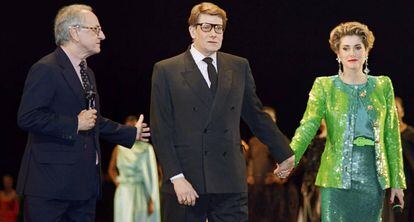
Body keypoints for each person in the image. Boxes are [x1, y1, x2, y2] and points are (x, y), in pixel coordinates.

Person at [150, 2, 294, 221]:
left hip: (229, 179)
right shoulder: (166, 70)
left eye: (219, 28)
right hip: (186, 180)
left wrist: (284, 152)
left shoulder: (238, 66)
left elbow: (255, 114)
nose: (214, 33)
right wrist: (175, 177)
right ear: (192, 31)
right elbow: (161, 129)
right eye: (206, 27)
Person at [16, 4, 150, 221]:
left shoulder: (87, 72)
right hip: (50, 188)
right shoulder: (46, 68)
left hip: (84, 187)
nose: (103, 35)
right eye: (96, 29)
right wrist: (74, 124)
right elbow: (28, 116)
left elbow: (93, 119)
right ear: (74, 32)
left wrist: (128, 133)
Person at [289, 21, 405, 222]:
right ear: (338, 53)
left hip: (372, 177)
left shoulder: (383, 85)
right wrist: (290, 155)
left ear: (366, 51)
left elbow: (392, 137)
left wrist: (397, 182)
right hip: (336, 177)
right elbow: (308, 125)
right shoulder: (324, 85)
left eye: (358, 47)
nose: (353, 52)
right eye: (346, 48)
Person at [247, 106, 299, 222]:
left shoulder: (280, 140)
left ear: (274, 120)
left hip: (275, 194)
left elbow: (295, 161)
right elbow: (248, 160)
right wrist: (248, 175)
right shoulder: (254, 141)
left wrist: (279, 178)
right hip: (256, 193)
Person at [108, 115, 160, 222]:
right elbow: (111, 170)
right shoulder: (119, 148)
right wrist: (119, 183)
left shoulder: (146, 149)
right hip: (125, 191)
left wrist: (152, 198)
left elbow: (155, 173)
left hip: (141, 191)